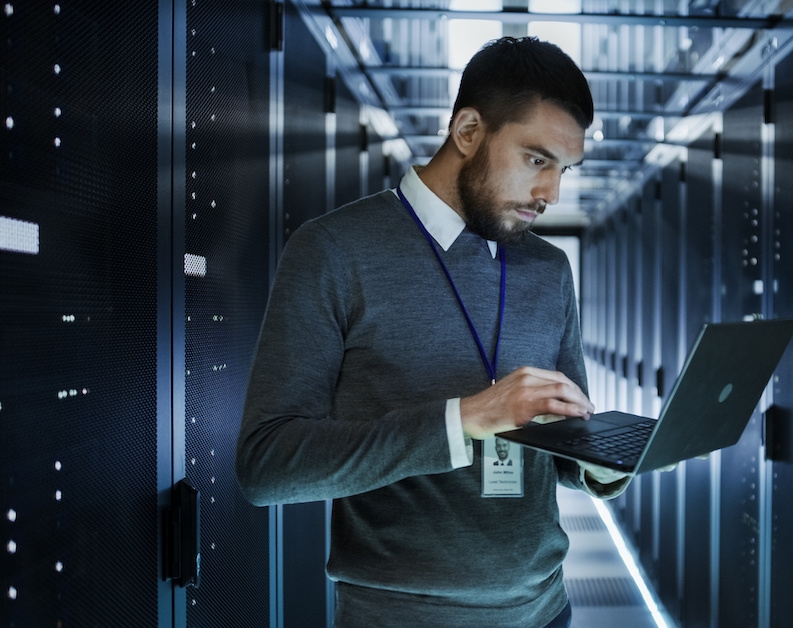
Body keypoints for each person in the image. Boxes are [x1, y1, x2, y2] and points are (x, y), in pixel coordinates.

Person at [236, 37, 630, 627]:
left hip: (545, 610)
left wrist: (608, 460)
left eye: (564, 169)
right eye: (536, 159)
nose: (551, 193)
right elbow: (267, 466)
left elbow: (564, 442)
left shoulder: (549, 270)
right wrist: (462, 419)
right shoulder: (334, 251)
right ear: (468, 130)